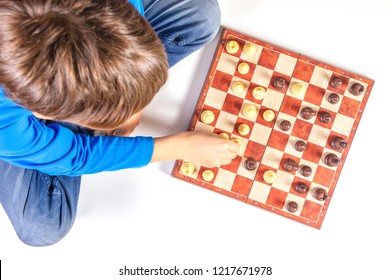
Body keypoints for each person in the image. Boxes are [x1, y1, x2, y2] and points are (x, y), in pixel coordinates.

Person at [0, 0, 239, 247]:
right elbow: (74, 156)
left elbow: (131, 14)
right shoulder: (4, 122)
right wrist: (176, 147)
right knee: (42, 225)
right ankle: (42, 141)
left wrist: (132, 91)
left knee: (201, 14)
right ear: (40, 113)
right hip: (12, 122)